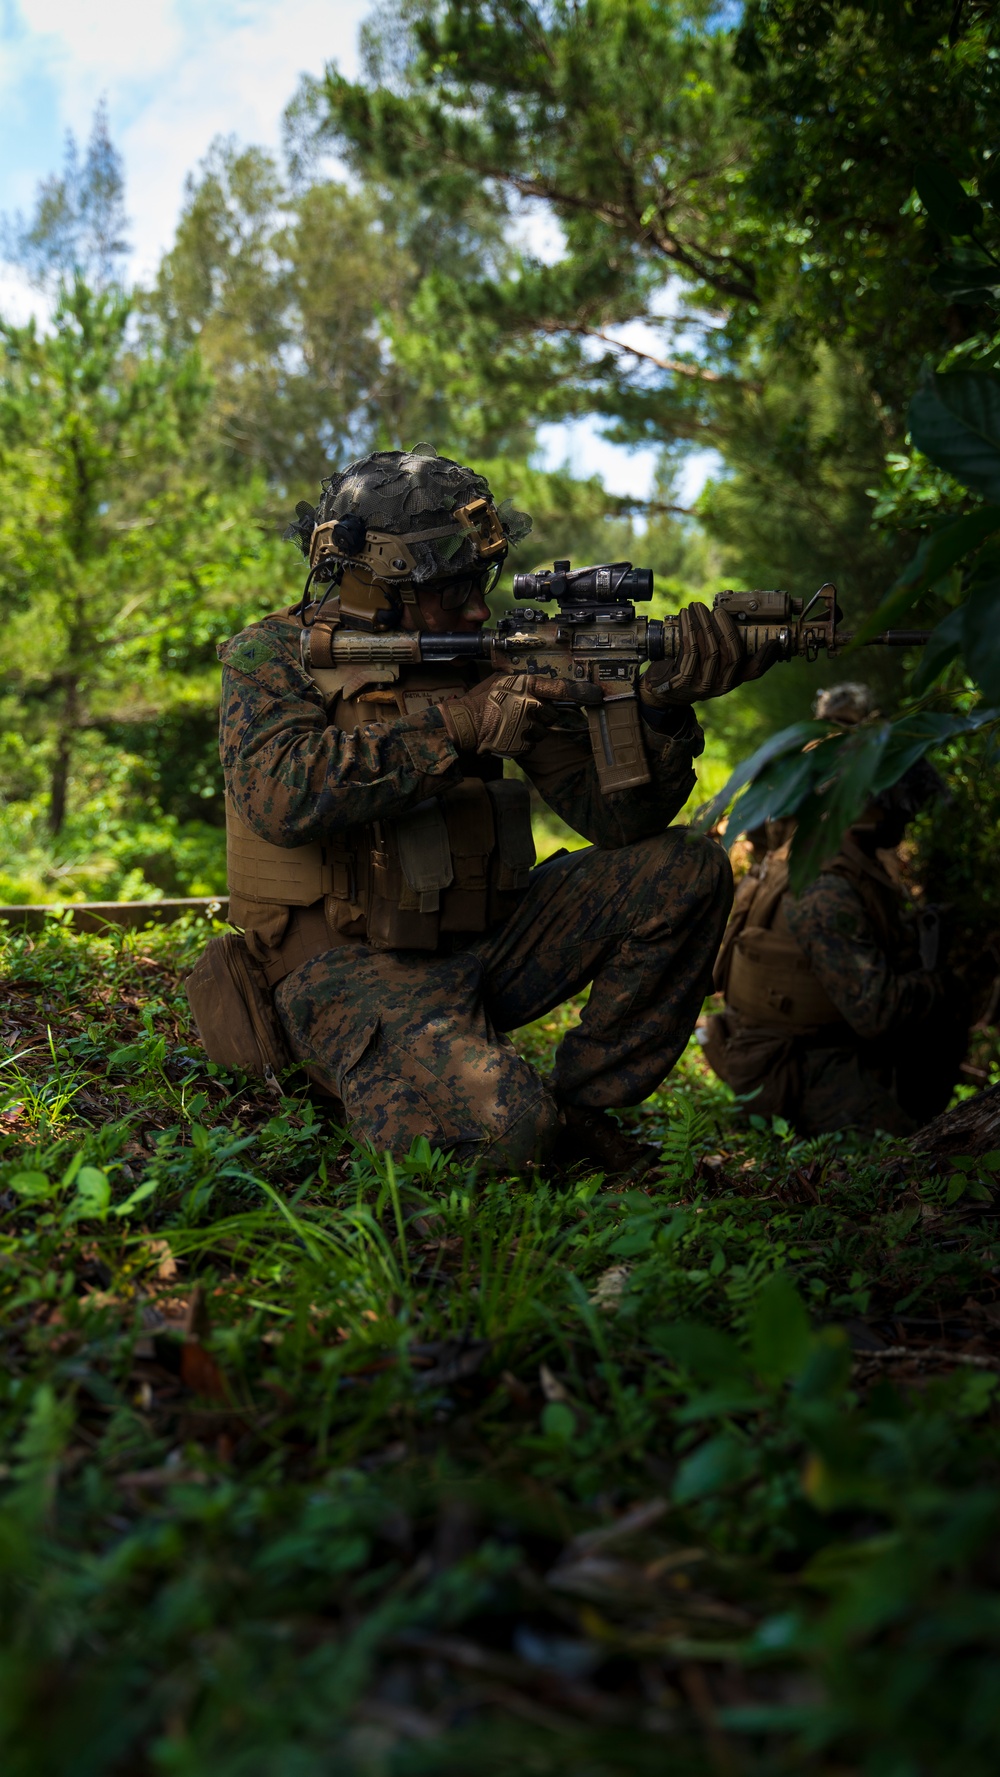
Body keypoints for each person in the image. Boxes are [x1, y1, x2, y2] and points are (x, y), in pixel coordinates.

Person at [204, 446, 776, 1172]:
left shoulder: (484, 654)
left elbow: (620, 824)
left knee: (686, 870)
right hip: (340, 969)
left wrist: (661, 708)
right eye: (454, 587)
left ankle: (581, 1105)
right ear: (377, 580)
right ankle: (471, 1096)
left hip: (480, 946)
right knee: (510, 1135)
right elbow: (279, 793)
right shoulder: (273, 655)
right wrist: (456, 728)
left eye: (483, 582)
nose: (478, 607)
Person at [702, 684, 969, 1136]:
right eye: (900, 813)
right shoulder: (825, 885)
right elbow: (878, 1013)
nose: (905, 823)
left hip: (803, 1036)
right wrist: (948, 983)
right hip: (792, 1061)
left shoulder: (817, 830)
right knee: (912, 1146)